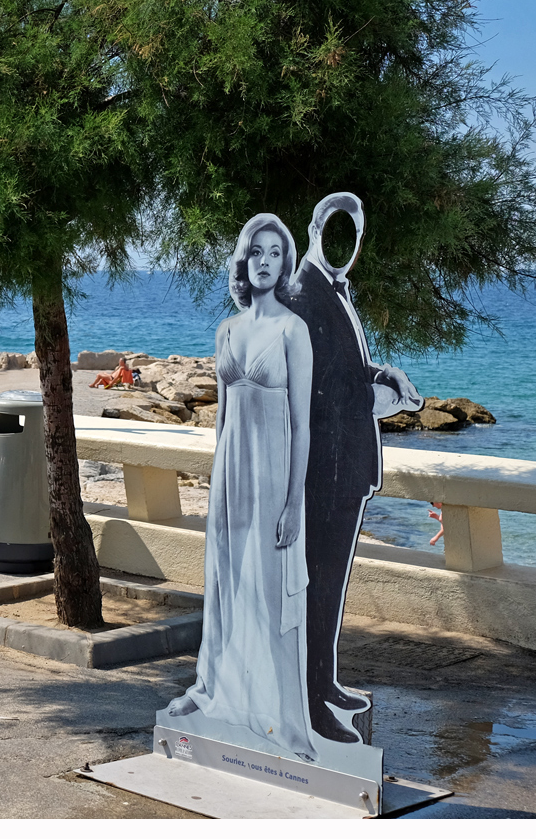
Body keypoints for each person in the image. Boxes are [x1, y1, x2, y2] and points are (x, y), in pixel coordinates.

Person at [165, 213, 318, 763]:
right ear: (243, 258)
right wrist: (213, 491)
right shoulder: (226, 332)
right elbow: (222, 423)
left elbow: (303, 424)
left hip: (275, 478)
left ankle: (287, 722)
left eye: (275, 254)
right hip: (231, 477)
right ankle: (212, 688)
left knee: (270, 593)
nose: (264, 262)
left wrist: (295, 501)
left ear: (285, 263)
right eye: (257, 252)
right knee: (228, 588)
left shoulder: (292, 332)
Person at [285, 193, 421, 743]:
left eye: (353, 236)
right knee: (315, 586)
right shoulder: (301, 293)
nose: (345, 244)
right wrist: (381, 400)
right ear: (316, 227)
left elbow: (348, 365)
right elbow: (320, 390)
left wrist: (384, 372)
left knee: (330, 588)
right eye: (336, 230)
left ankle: (326, 680)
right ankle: (310, 702)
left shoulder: (333, 290)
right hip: (322, 468)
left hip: (347, 468)